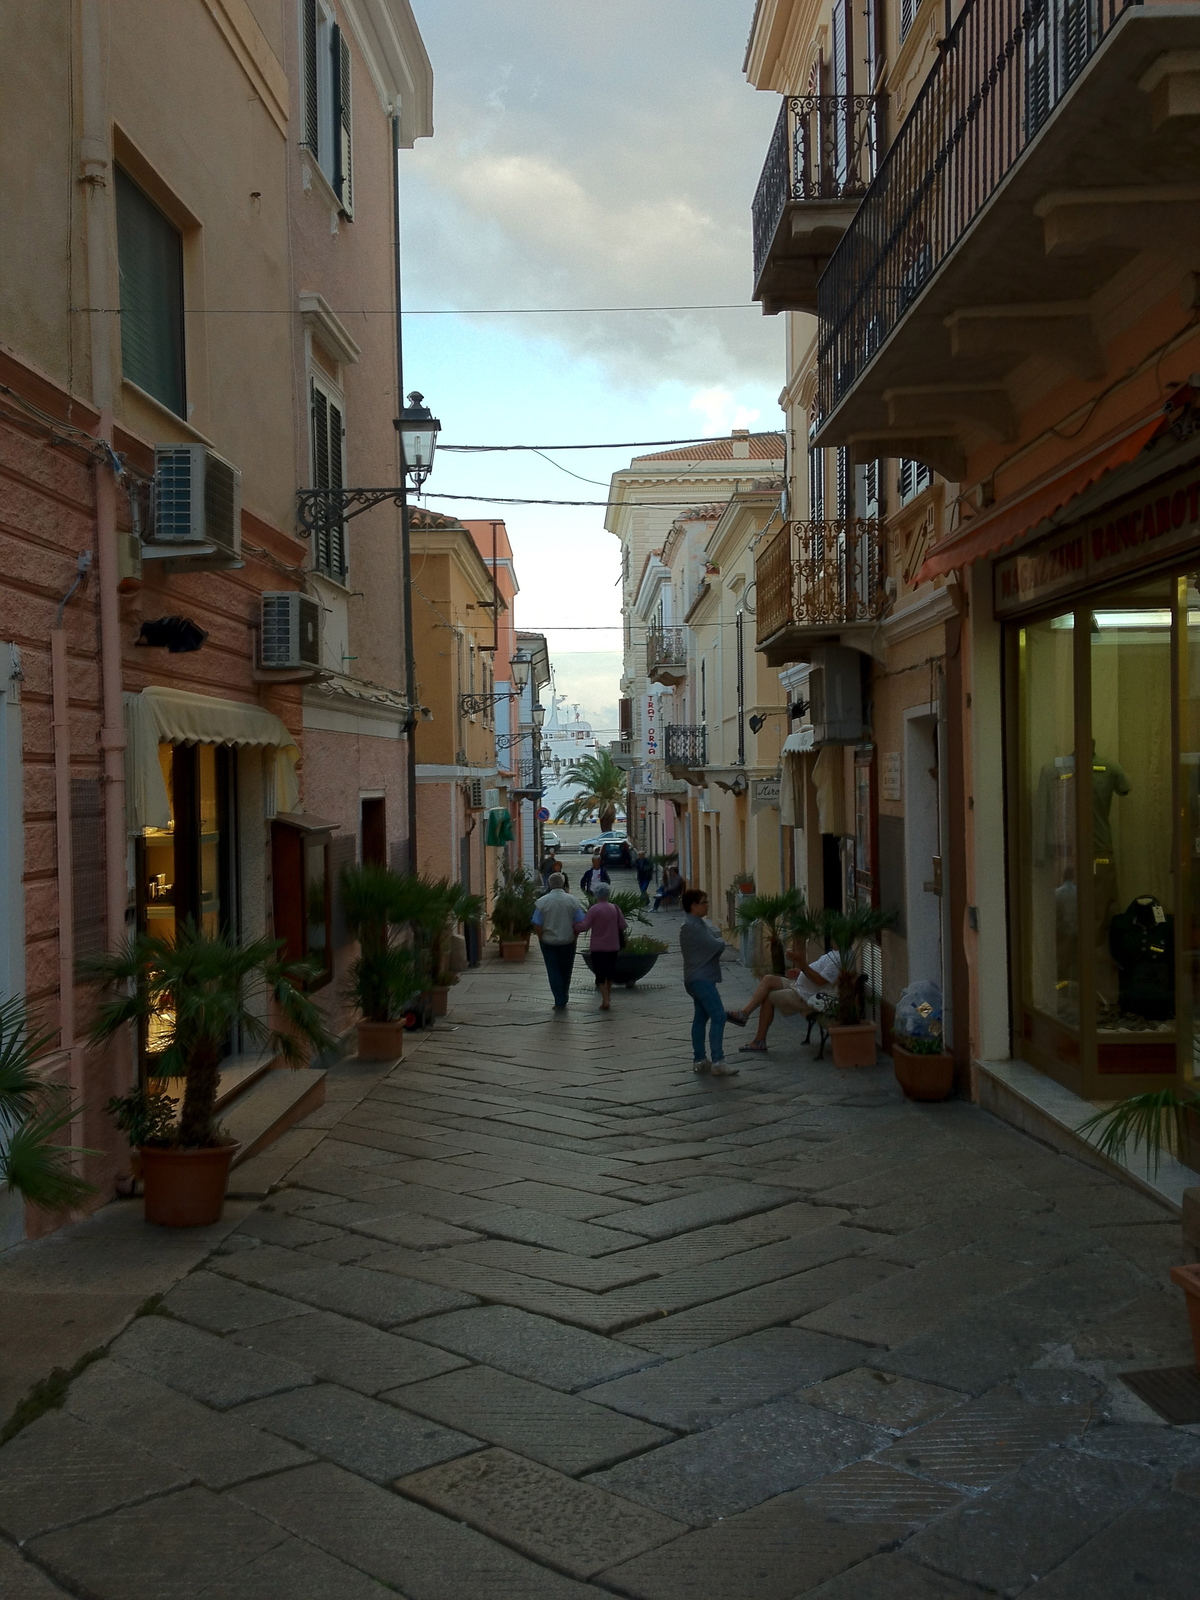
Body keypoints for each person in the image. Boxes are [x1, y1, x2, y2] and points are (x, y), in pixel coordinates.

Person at [727, 946, 844, 1053]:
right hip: (799, 985)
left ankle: (759, 1041)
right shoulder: (835, 953)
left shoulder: (839, 958)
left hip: (805, 995)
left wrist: (802, 963)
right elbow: (818, 974)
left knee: (768, 996)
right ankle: (744, 1013)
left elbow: (820, 981)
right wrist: (801, 972)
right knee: (769, 979)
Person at [679, 889, 737, 1076]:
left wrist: (716, 939)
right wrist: (719, 940)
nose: (707, 905)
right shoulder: (691, 926)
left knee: (701, 1017)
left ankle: (700, 1059)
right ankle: (718, 1061)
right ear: (693, 906)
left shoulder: (695, 923)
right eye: (704, 902)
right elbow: (715, 945)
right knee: (719, 1015)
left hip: (696, 978)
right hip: (701, 978)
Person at [532, 872, 586, 1011]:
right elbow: (579, 922)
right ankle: (564, 995)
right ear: (563, 883)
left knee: (553, 970)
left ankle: (559, 999)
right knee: (566, 970)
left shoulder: (542, 902)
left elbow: (537, 923)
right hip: (568, 941)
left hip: (549, 941)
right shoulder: (573, 901)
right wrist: (575, 937)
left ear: (549, 884)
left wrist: (541, 937)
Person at [576, 882, 627, 1010]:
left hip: (598, 947)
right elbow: (623, 925)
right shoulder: (614, 908)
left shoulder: (594, 909)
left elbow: (584, 926)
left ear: (596, 894)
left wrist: (573, 926)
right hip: (613, 945)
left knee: (600, 974)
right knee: (610, 972)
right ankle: (607, 996)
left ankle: (605, 999)